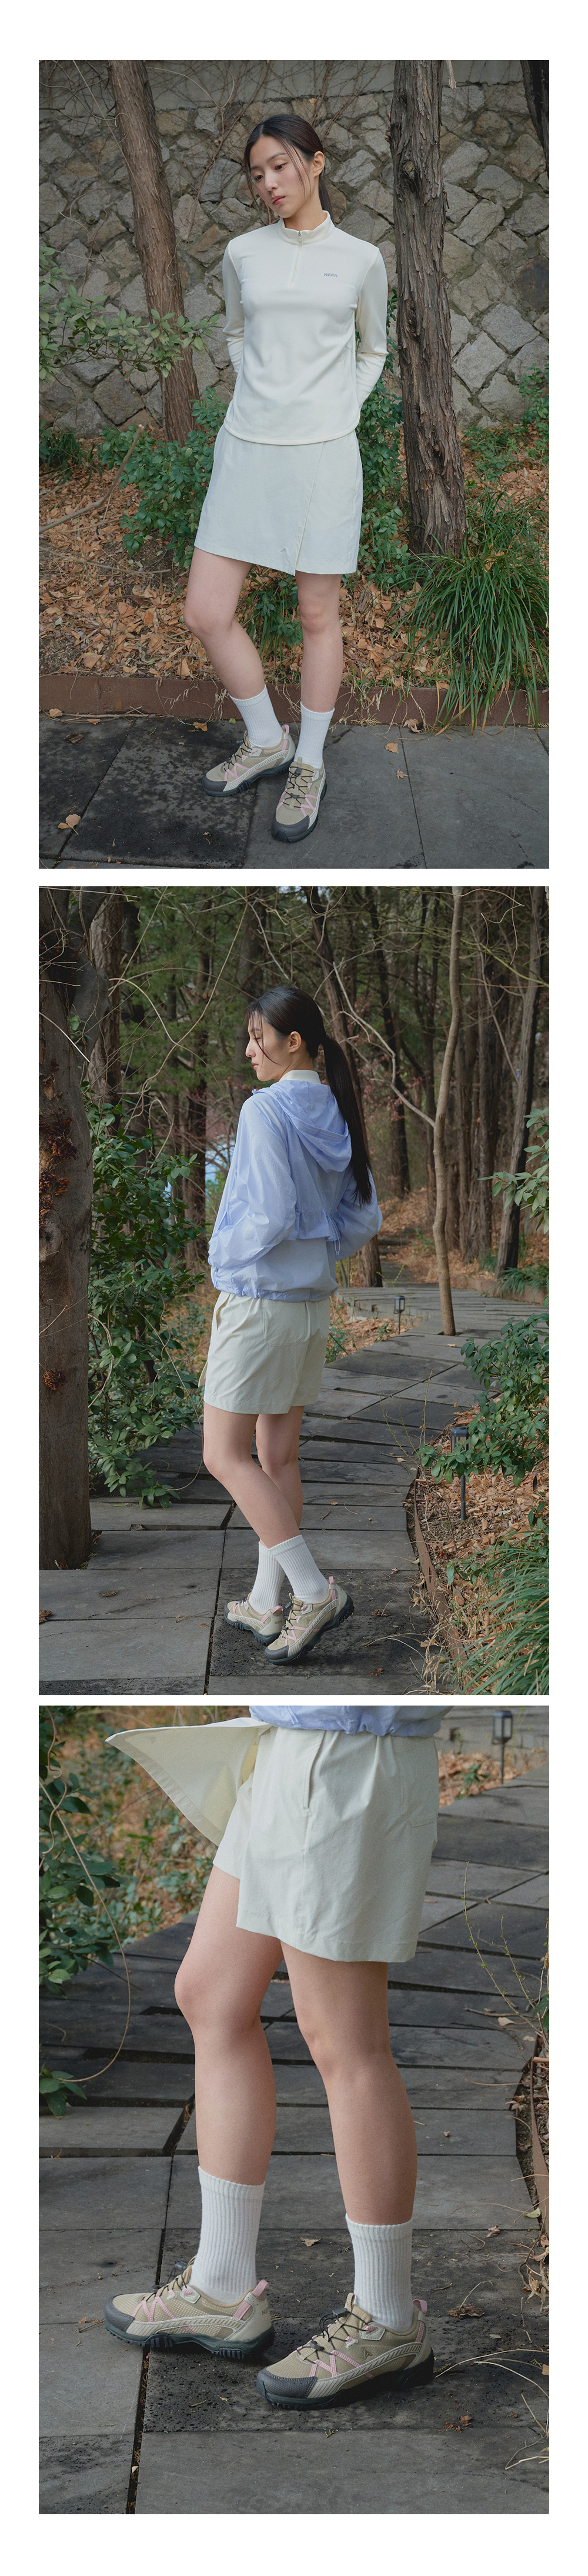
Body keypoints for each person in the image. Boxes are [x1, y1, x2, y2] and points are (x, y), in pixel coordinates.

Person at [104, 1697, 448, 2409]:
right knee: (211, 1994)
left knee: (346, 2043)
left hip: (345, 1756)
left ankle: (387, 2319)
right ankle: (221, 2284)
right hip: (290, 1749)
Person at [183, 114, 388, 842]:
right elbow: (236, 332)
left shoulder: (361, 258)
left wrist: (341, 410)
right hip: (246, 446)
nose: (269, 183)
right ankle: (267, 737)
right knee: (206, 611)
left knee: (316, 614)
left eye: (280, 166)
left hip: (323, 454)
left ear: (316, 163)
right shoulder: (242, 252)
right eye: (256, 173)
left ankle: (308, 762)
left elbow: (373, 348)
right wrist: (257, 391)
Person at [201, 982, 382, 1664]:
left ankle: (312, 1590)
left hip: (259, 1306)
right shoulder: (335, 1108)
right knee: (277, 1458)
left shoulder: (265, 1111)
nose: (250, 1052)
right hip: (308, 1307)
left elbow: (270, 1213)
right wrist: (316, 1256)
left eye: (258, 1038)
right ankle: (264, 1600)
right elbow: (363, 1216)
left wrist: (223, 1259)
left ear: (293, 1041)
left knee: (224, 1456)